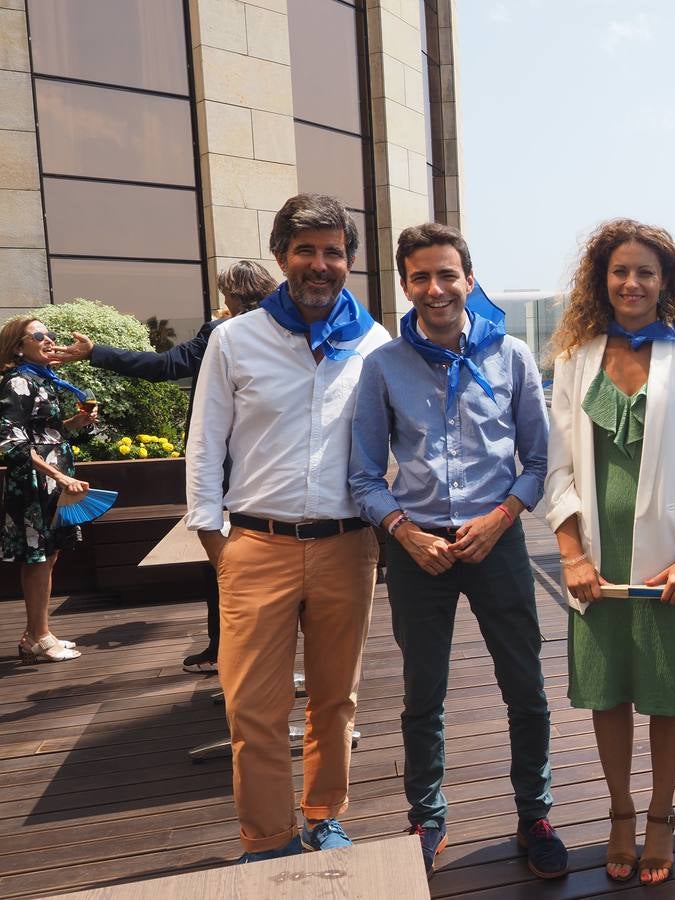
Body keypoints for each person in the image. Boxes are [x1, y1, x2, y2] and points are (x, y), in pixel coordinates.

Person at [348, 222, 566, 880]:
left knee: (525, 687)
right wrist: (405, 533)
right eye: (421, 277)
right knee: (423, 694)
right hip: (418, 551)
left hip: (495, 541)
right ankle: (427, 816)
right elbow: (362, 476)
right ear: (405, 284)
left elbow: (539, 462)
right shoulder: (382, 366)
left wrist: (500, 521)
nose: (435, 288)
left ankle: (536, 813)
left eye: (448, 274)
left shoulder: (513, 357)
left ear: (470, 280)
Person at [186, 192, 390, 863]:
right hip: (256, 544)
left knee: (336, 700)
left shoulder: (374, 341)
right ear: (282, 257)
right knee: (253, 711)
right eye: (306, 250)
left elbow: (395, 441)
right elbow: (205, 443)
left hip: (346, 545)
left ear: (349, 262)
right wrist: (217, 542)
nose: (320, 263)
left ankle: (325, 815)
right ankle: (267, 839)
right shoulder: (234, 339)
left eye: (334, 251)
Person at [543, 219, 675, 884]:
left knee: (670, 693)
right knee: (608, 691)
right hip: (595, 556)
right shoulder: (574, 355)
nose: (632, 282)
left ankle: (661, 815)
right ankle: (620, 813)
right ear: (602, 279)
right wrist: (571, 554)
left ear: (666, 282)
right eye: (620, 271)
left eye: (646, 272)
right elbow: (557, 465)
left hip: (670, 559)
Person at [52, 260, 278, 674]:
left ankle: (227, 651)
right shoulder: (287, 328)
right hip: (272, 467)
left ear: (234, 295)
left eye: (224, 294)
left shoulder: (221, 333)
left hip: (228, 469)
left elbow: (164, 367)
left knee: (224, 560)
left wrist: (93, 352)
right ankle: (239, 652)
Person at [0, 317, 98, 662]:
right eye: (38, 335)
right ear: (17, 347)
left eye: (50, 334)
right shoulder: (17, 383)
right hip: (34, 484)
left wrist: (76, 423)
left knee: (49, 555)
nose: (48, 339)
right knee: (38, 557)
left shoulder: (43, 379)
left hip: (52, 482)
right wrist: (58, 476)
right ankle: (39, 637)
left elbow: (48, 436)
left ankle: (36, 633)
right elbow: (13, 443)